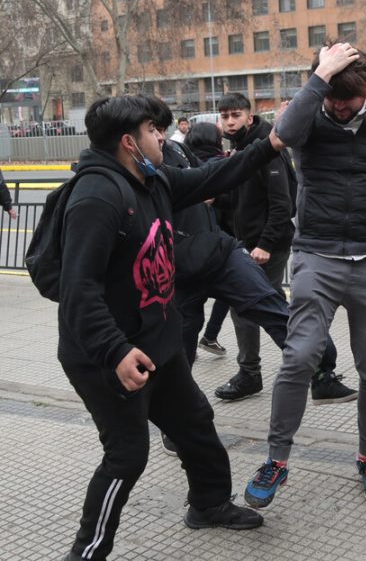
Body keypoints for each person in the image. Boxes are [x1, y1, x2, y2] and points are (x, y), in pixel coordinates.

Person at [57, 95, 277, 560]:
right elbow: (79, 290)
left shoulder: (152, 181)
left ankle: (209, 504)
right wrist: (115, 351)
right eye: (152, 130)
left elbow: (217, 175)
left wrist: (272, 142)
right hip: (109, 357)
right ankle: (85, 553)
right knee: (127, 455)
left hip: (157, 343)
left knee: (195, 423)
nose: (162, 135)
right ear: (128, 142)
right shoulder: (98, 196)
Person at [242, 41, 366, 510]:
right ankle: (277, 459)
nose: (337, 105)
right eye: (331, 95)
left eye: (346, 99)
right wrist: (319, 77)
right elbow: (282, 134)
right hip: (318, 254)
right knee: (299, 357)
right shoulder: (308, 111)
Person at [215, 92, 357, 404]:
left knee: (258, 310)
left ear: (249, 118)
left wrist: (264, 245)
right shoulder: (240, 148)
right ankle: (318, 369)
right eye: (224, 116)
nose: (229, 121)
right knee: (272, 309)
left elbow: (282, 203)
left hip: (266, 247)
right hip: (246, 245)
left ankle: (294, 371)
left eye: (235, 115)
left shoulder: (266, 148)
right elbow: (242, 201)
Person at [184, 122, 231, 356]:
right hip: (216, 242)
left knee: (190, 309)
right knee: (229, 292)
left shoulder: (185, 166)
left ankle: (192, 348)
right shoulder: (219, 165)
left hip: (189, 248)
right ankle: (210, 335)